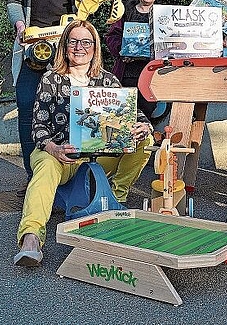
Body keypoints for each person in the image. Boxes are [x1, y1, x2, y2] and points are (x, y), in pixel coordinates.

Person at [13, 20, 153, 267]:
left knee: (145, 139)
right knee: (45, 166)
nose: (79, 47)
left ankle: (117, 197)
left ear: (95, 47)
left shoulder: (107, 80)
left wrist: (143, 125)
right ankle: (31, 238)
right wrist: (53, 148)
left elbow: (132, 114)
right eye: (73, 41)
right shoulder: (50, 79)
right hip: (59, 154)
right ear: (65, 46)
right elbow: (37, 128)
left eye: (85, 42)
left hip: (98, 154)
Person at [7, 0, 91, 190]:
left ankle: (61, 175)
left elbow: (84, 13)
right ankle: (34, 178)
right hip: (31, 45)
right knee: (28, 108)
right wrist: (21, 28)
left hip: (63, 49)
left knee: (65, 110)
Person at [105, 0, 160, 119]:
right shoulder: (126, 10)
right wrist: (121, 51)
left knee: (147, 112)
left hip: (150, 73)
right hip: (127, 72)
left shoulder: (161, 14)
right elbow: (111, 36)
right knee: (124, 112)